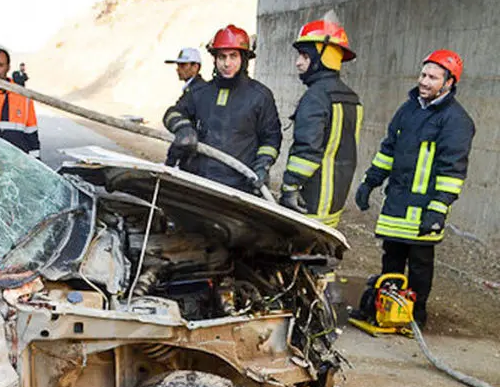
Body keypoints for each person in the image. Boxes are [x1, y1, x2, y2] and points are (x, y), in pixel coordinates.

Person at [354, 49, 474, 327]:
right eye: (423, 74)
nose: (424, 81)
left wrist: (438, 208)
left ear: (449, 83)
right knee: (391, 258)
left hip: (424, 209)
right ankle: (387, 311)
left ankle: (415, 316)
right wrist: (370, 181)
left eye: (433, 77)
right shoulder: (407, 110)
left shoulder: (456, 121)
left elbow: (452, 169)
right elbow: (388, 151)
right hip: (397, 203)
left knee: (420, 263)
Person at [163, 24, 282, 193]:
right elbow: (173, 113)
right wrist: (183, 128)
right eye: (222, 57)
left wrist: (263, 165)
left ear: (244, 59)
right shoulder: (201, 92)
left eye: (233, 56)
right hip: (198, 183)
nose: (227, 63)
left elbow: (271, 139)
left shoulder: (260, 96)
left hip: (239, 189)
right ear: (215, 59)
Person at [278, 19, 363, 228]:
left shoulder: (316, 97)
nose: (298, 62)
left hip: (310, 198)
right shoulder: (352, 98)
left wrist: (290, 186)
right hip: (335, 198)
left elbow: (308, 150)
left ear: (321, 58)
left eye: (305, 56)